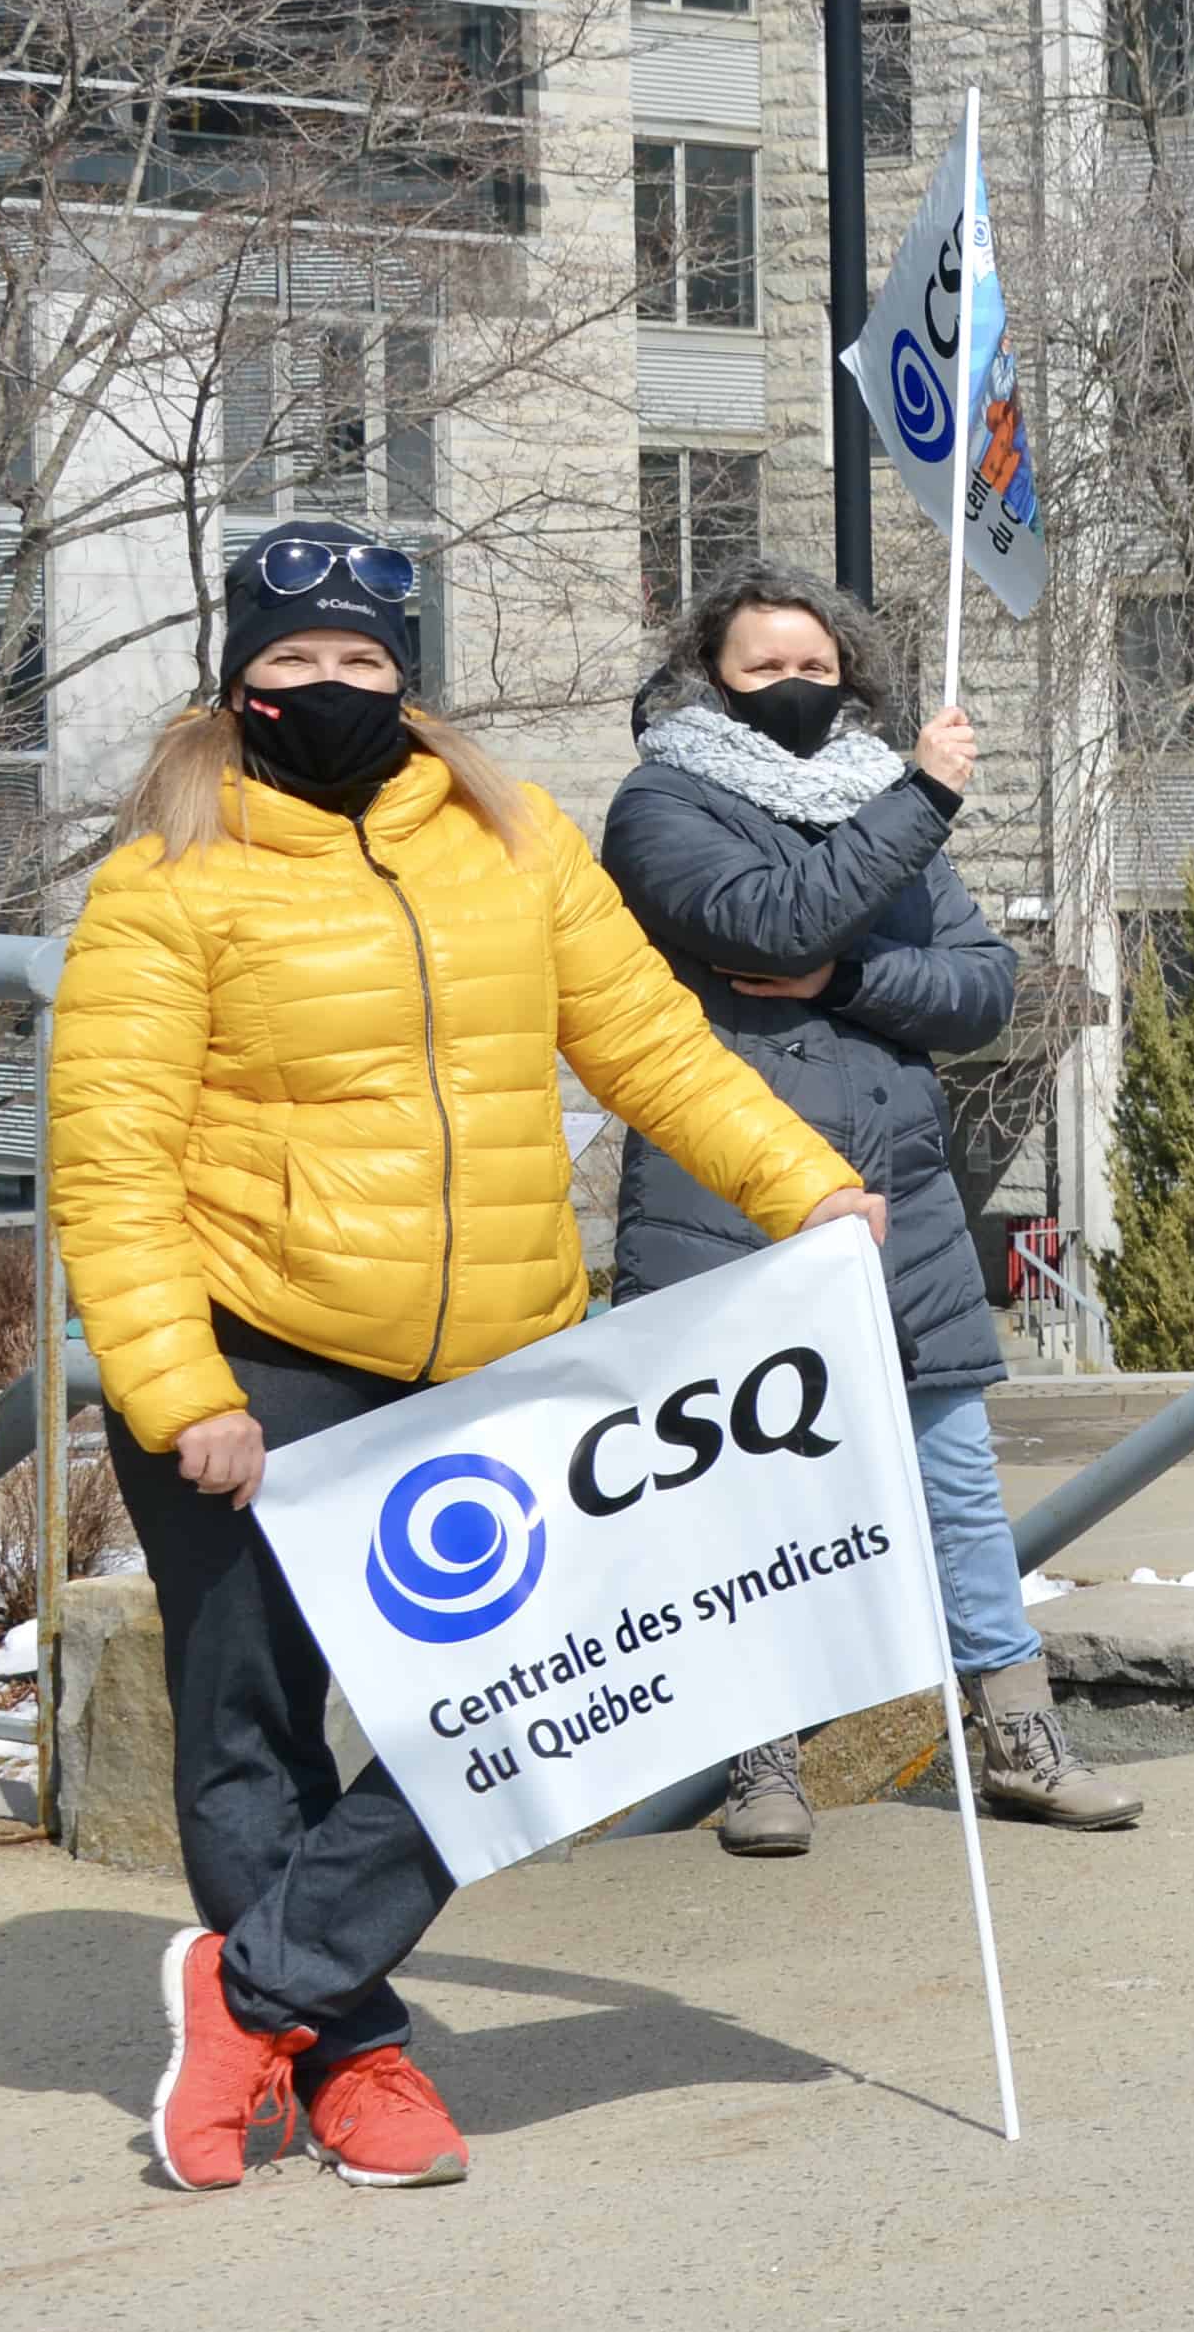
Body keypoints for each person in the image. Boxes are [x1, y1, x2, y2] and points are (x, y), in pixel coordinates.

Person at [56, 522, 886, 2195]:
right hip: (257, 1355)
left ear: (406, 677)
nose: (330, 685)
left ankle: (258, 1987)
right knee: (255, 1730)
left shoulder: (512, 837)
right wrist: (180, 1390)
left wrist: (802, 1185)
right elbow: (112, 1161)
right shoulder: (168, 878)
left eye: (361, 661)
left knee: (528, 1711)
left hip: (497, 1357)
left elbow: (651, 1044)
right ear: (238, 683)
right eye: (294, 661)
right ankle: (353, 2061)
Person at [601, 567, 1137, 1852]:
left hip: (902, 1202)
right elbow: (770, 921)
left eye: (816, 665)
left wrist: (846, 979)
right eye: (763, 666)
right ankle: (761, 1756)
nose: (794, 684)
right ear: (710, 676)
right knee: (750, 1495)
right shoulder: (663, 802)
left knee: (955, 1484)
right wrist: (923, 800)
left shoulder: (877, 798)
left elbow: (983, 988)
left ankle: (1019, 1732)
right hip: (724, 1206)